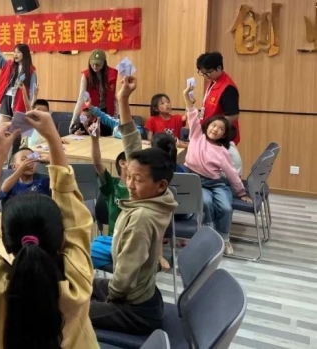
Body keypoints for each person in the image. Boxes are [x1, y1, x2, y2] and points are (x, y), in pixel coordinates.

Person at [0, 111, 97, 349]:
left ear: (5, 240)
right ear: (60, 237)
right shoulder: (77, 283)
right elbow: (76, 220)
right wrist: (53, 140)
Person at [88, 75, 178, 335]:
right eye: (129, 176)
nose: (129, 183)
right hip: (145, 296)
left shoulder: (142, 218)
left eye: (137, 180)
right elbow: (131, 142)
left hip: (134, 308)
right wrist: (123, 98)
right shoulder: (157, 194)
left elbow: (125, 275)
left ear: (160, 185)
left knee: (67, 308)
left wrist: (108, 302)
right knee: (79, 283)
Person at [183, 82, 250, 255]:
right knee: (206, 203)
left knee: (226, 207)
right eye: (214, 125)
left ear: (224, 134)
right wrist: (186, 96)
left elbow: (231, 173)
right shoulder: (196, 135)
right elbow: (192, 113)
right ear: (207, 126)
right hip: (196, 182)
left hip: (216, 183)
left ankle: (224, 239)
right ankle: (210, 236)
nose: (216, 129)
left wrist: (241, 192)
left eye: (221, 129)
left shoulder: (222, 151)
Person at [0, 25, 37, 126]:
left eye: (18, 52)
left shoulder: (31, 71)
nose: (15, 54)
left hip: (20, 102)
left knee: (16, 131)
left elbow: (32, 92)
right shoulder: (9, 65)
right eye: (14, 52)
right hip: (6, 99)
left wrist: (30, 106)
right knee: (1, 129)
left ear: (25, 54)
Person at [70, 49, 119, 136]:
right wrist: (73, 120)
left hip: (105, 112)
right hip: (89, 112)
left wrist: (115, 119)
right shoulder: (86, 75)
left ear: (104, 63)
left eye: (98, 64)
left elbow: (114, 99)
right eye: (92, 64)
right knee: (85, 135)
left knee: (105, 137)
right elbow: (81, 98)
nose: (95, 66)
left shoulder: (112, 74)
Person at [196, 51, 240, 144]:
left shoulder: (228, 88)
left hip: (221, 138)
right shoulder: (211, 81)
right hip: (209, 134)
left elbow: (233, 116)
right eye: (203, 73)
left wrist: (214, 130)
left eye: (208, 72)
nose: (205, 76)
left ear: (219, 68)